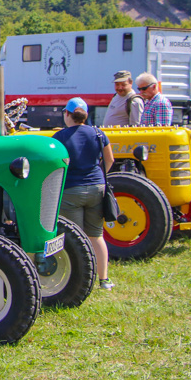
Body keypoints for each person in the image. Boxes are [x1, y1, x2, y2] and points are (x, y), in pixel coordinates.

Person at [52, 97, 116, 290]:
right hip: (97, 187)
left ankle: (80, 281)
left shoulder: (60, 137)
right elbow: (109, 159)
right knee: (96, 236)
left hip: (71, 190)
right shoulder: (98, 133)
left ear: (67, 114)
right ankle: (104, 280)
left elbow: (58, 164)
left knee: (75, 238)